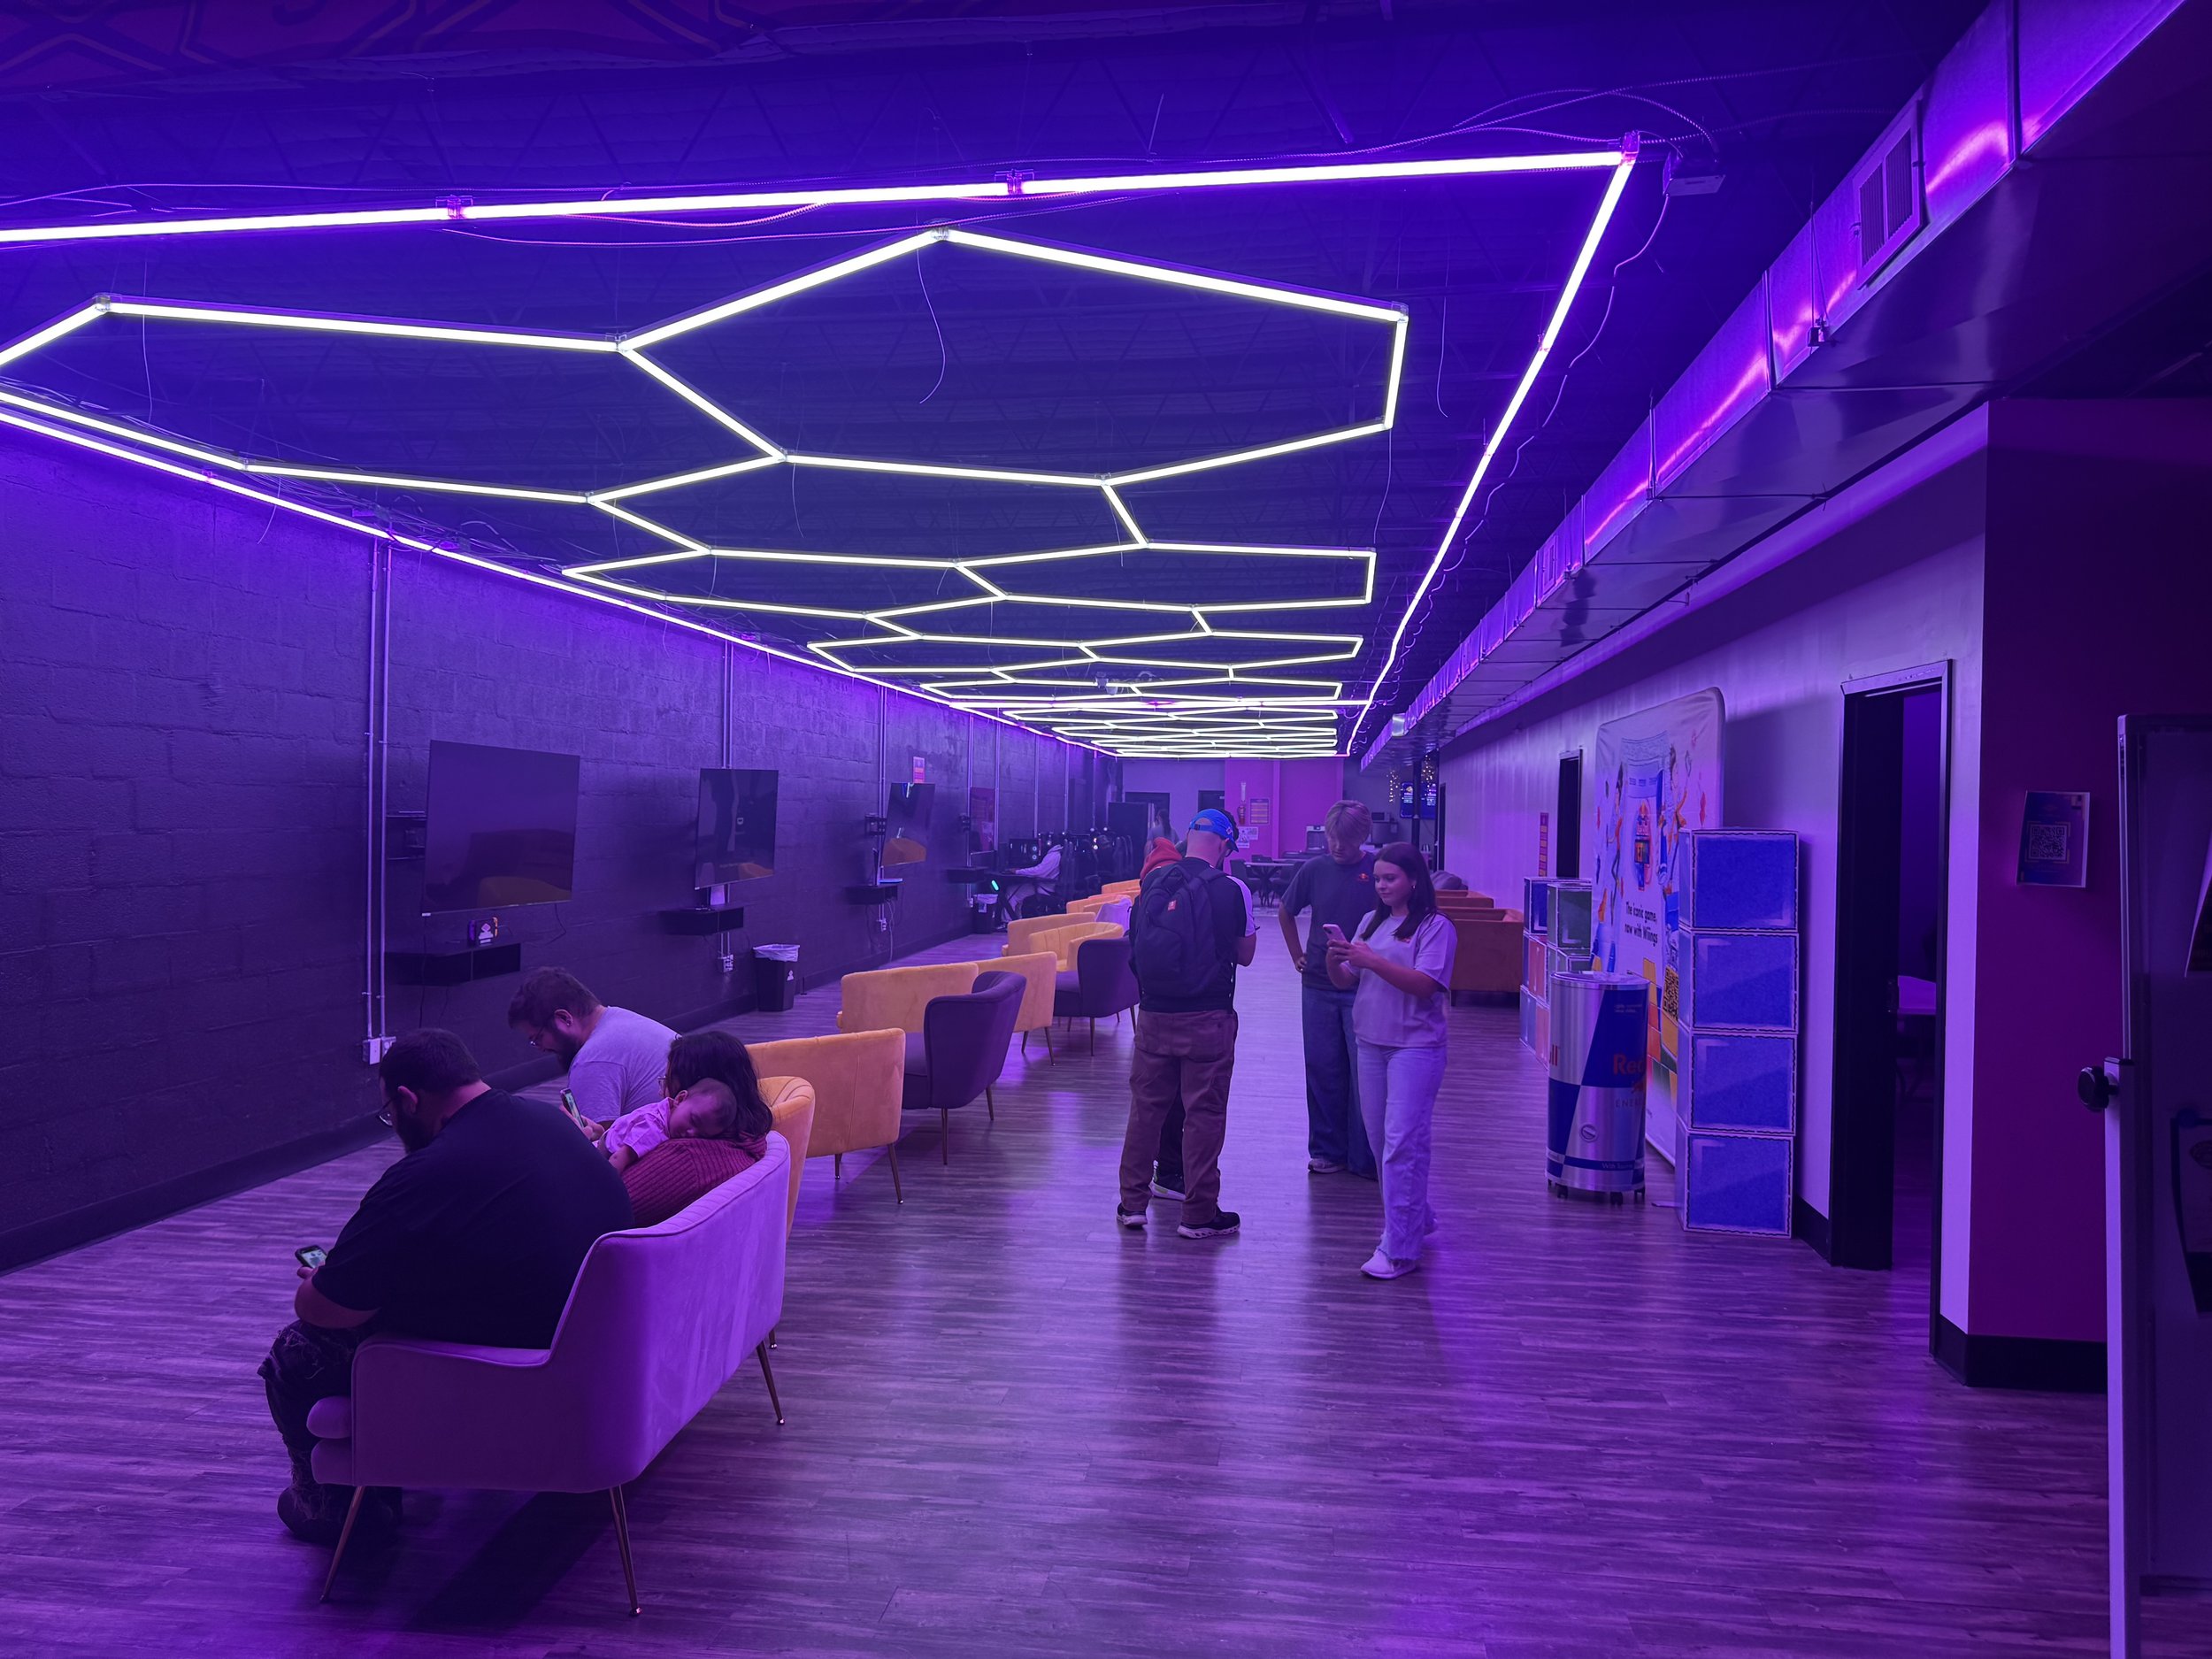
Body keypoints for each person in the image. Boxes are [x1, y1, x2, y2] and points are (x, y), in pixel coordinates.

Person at [259, 1030, 633, 1542]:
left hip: (514, 1358)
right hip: (587, 1335)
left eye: (391, 1113)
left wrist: (327, 1280)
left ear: (409, 1100)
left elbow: (322, 1308)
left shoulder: (424, 1174)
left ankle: (337, 1511)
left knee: (297, 1352)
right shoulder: (551, 1120)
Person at [1118, 810, 1256, 1240]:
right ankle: (1198, 1214)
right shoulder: (1232, 888)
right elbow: (1245, 955)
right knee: (1204, 1115)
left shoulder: (1151, 885)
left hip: (1154, 1017)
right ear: (1225, 846)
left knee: (1145, 1113)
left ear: (1189, 839)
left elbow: (1135, 947)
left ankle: (1132, 1205)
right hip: (1208, 1019)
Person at [1326, 842, 1457, 1279]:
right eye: (1377, 878)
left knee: (1403, 1144)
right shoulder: (1372, 922)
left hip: (1415, 1049)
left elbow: (1425, 985)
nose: (1381, 886)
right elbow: (1347, 979)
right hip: (1371, 1042)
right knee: (1382, 1142)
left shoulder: (1436, 927)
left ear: (1413, 880)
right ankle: (1416, 1217)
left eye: (1390, 878)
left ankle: (1399, 1249)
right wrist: (1338, 957)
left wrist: (1372, 960)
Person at [1277, 799, 1380, 1180]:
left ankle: (1363, 1154)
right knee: (1322, 1068)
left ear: (1363, 837)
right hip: (1318, 983)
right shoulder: (1314, 870)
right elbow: (1287, 912)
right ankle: (1326, 1150)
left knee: (1362, 1072)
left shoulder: (1376, 872)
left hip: (1363, 985)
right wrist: (1296, 954)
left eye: (1347, 841)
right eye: (1334, 839)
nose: (1339, 847)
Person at [620, 1030, 773, 1226]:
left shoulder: (684, 1157)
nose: (662, 1093)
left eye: (668, 1083)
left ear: (689, 1095)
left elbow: (602, 1208)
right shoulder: (746, 1139)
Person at [508, 967, 677, 1123]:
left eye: (539, 1037)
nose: (540, 1047)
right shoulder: (622, 1019)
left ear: (565, 1018)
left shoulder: (593, 1060)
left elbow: (591, 1148)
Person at [1001, 837, 1064, 920]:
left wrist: (1018, 871)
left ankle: (1007, 922)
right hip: (1046, 886)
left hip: (1043, 887)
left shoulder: (1053, 856)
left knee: (1011, 891)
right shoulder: (1057, 854)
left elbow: (1039, 871)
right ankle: (1017, 921)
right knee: (1016, 893)